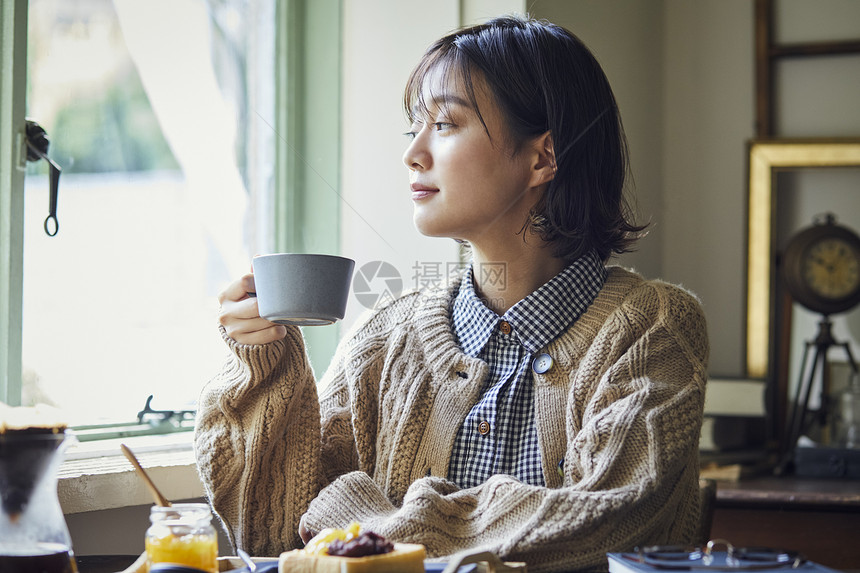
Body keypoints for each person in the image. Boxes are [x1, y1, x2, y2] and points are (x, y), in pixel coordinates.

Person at [195, 14, 709, 572]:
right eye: (415, 127)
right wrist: (264, 368)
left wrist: (364, 521)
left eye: (444, 124)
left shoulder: (655, 329)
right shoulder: (385, 336)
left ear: (542, 158)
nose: (413, 153)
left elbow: (607, 520)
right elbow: (278, 539)